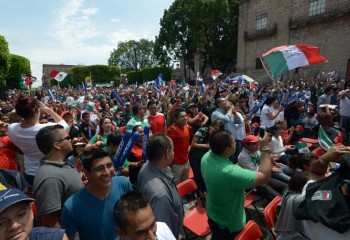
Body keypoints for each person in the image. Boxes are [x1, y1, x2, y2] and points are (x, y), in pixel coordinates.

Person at [201, 130, 273, 239]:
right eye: (234, 142)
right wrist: (265, 147)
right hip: (229, 223)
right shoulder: (230, 173)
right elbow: (264, 176)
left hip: (213, 213)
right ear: (226, 150)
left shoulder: (206, 157)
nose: (237, 144)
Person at [61, 149, 133, 240]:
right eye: (99, 169)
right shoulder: (72, 206)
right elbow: (68, 237)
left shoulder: (124, 184)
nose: (107, 172)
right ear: (87, 173)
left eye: (109, 165)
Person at [7, 95, 69, 185]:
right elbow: (65, 126)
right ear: (36, 109)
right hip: (49, 173)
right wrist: (50, 110)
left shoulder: (11, 129)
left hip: (29, 173)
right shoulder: (47, 128)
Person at [32, 125, 84, 228]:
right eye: (67, 138)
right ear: (57, 145)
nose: (72, 140)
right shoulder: (49, 178)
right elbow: (50, 224)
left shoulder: (62, 163)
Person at [137, 133, 184, 238]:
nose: (174, 152)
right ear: (167, 153)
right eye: (173, 149)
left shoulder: (147, 166)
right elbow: (165, 231)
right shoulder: (160, 195)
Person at [0, 188, 69, 240]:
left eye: (21, 214)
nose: (14, 226)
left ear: (32, 212)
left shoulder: (55, 237)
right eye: (1, 223)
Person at [189, 120, 224, 194]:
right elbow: (193, 144)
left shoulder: (216, 136)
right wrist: (207, 146)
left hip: (204, 159)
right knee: (197, 175)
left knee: (203, 176)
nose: (212, 129)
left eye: (216, 129)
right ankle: (198, 194)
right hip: (194, 156)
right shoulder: (202, 130)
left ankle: (203, 192)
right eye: (212, 126)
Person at [211, 97, 243, 163]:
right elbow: (226, 119)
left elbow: (239, 122)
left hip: (233, 139)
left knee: (236, 160)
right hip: (223, 141)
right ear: (219, 104)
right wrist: (230, 110)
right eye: (224, 102)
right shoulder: (215, 113)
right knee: (228, 162)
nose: (227, 103)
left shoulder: (229, 112)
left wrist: (234, 113)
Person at [166, 108, 190, 184]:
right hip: (176, 164)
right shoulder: (172, 130)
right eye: (182, 116)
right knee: (176, 185)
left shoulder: (186, 126)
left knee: (184, 182)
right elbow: (166, 145)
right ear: (176, 119)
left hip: (186, 161)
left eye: (186, 116)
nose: (185, 118)